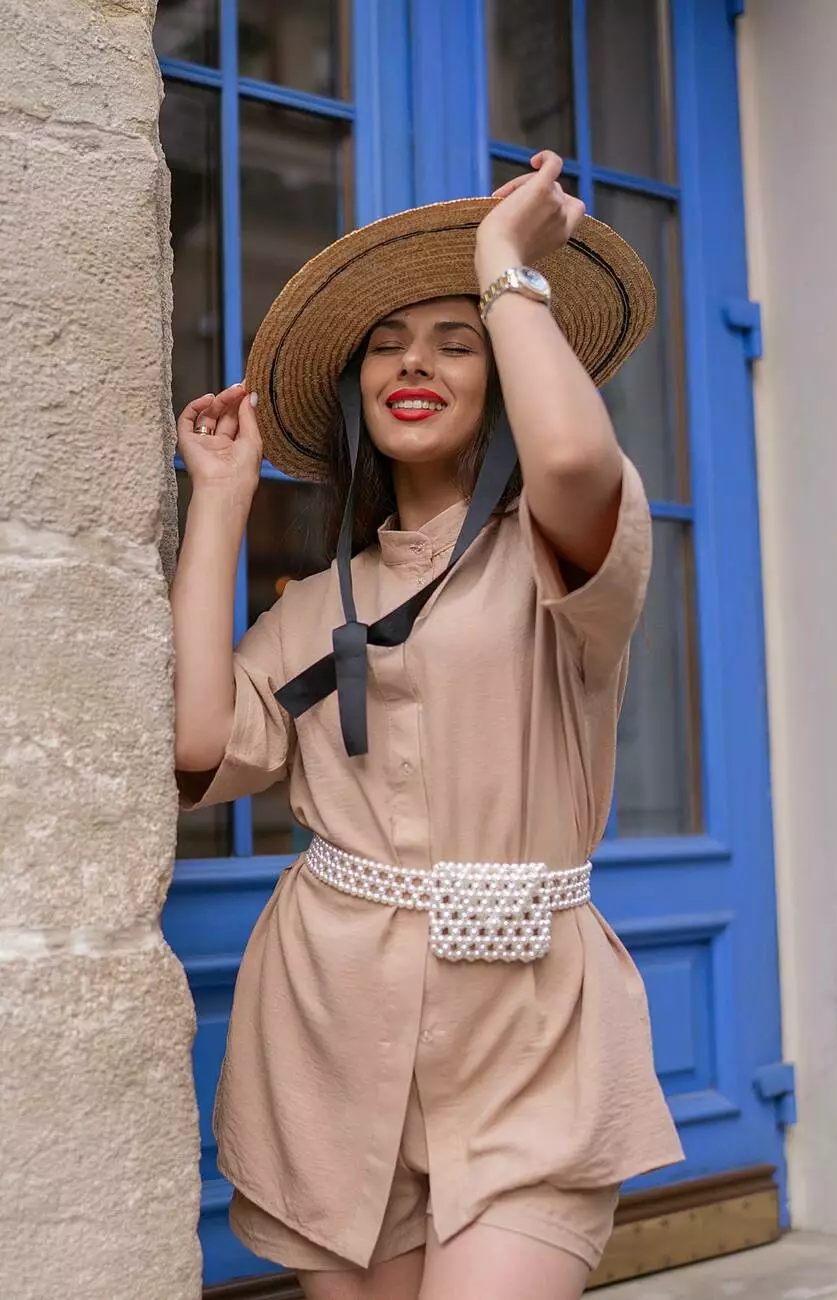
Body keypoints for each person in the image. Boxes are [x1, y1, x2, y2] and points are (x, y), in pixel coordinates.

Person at [172, 151, 683, 1300]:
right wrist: (222, 498)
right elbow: (198, 742)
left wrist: (506, 262)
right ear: (357, 390)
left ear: (500, 377)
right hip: (329, 1021)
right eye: (387, 345)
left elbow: (569, 454)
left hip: (528, 1027)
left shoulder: (561, 550)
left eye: (457, 342)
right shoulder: (313, 606)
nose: (413, 362)